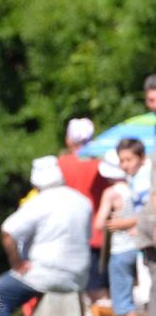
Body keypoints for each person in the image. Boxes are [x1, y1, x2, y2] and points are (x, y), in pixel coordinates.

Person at [0, 156, 92, 316]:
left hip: (45, 273)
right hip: (80, 275)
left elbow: (7, 231)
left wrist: (17, 263)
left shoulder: (39, 203)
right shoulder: (83, 201)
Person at [94, 139, 151, 316]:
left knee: (123, 297)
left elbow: (99, 224)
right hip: (140, 246)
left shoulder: (112, 193)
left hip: (121, 249)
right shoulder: (135, 186)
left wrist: (114, 219)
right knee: (146, 294)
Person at [56, 117, 112, 303]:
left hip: (68, 235)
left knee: (73, 292)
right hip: (97, 235)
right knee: (99, 290)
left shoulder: (60, 165)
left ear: (69, 140)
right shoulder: (103, 165)